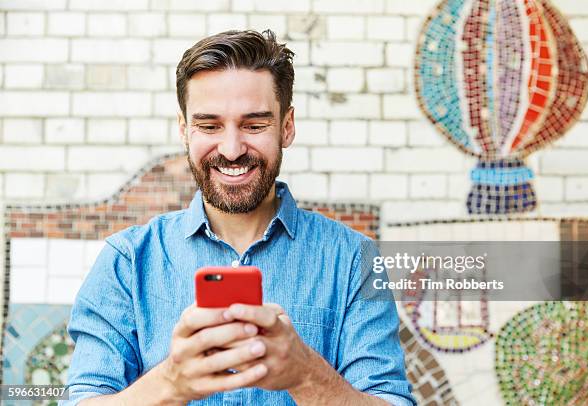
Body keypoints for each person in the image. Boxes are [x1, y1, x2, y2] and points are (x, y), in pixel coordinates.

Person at [62, 30, 416, 406]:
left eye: (254, 125)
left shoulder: (353, 259)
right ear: (184, 130)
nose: (231, 150)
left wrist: (306, 374)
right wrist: (171, 383)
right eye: (210, 126)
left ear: (287, 127)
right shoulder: (127, 260)